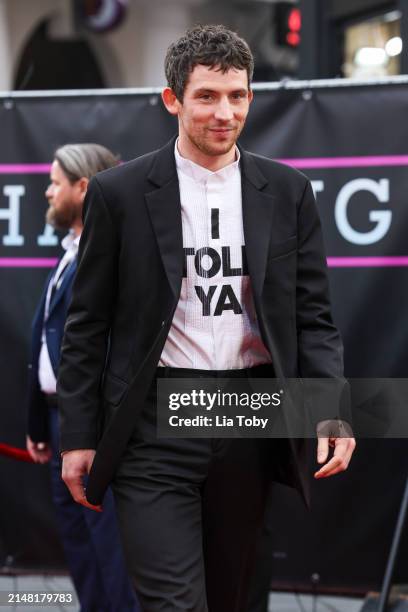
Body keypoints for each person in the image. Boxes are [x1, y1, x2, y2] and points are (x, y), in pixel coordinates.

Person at [57, 26, 356, 611]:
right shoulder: (119, 194)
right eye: (207, 96)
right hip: (152, 421)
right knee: (174, 602)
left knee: (231, 598)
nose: (225, 112)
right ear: (173, 99)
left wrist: (332, 410)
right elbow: (86, 325)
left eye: (238, 96)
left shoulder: (289, 191)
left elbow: (313, 316)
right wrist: (78, 436)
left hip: (250, 412)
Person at [26, 143, 140, 612]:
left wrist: (87, 428)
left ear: (83, 187)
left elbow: (102, 348)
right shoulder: (69, 252)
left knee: (112, 551)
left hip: (92, 428)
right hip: (59, 424)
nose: (48, 192)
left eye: (55, 183)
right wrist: (38, 424)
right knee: (82, 549)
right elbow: (47, 344)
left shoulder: (110, 254)